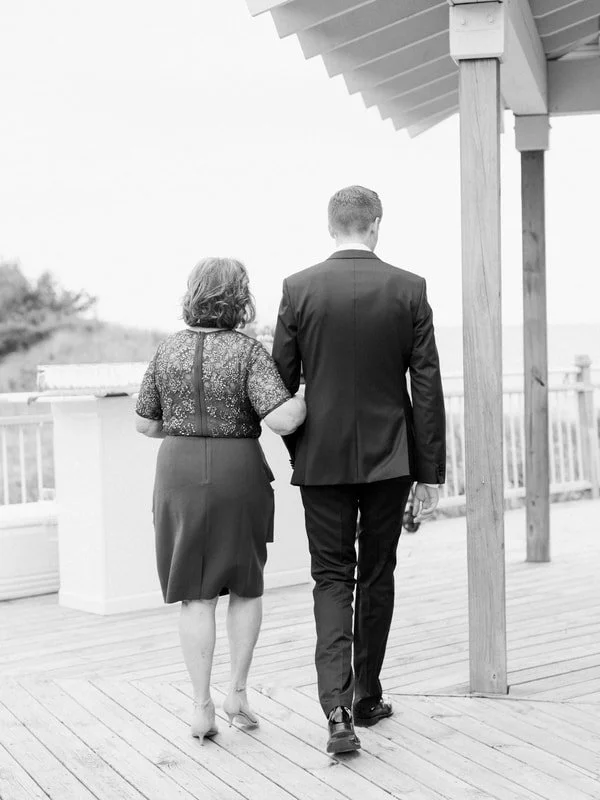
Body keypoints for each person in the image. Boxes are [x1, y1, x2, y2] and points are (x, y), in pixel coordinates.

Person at [272, 185, 445, 754]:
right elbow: (426, 384)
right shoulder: (409, 289)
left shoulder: (298, 289)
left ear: (332, 227)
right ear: (375, 225)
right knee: (376, 575)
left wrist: (303, 449)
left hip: (321, 462)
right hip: (390, 459)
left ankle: (338, 708)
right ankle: (368, 695)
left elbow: (279, 387)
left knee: (330, 578)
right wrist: (429, 470)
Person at [135, 256, 306, 743]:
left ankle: (200, 706)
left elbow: (145, 422)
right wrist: (306, 394)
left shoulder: (165, 351)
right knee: (246, 584)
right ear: (240, 298)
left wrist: (189, 428)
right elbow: (282, 420)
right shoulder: (248, 353)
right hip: (237, 470)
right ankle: (237, 693)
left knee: (195, 592)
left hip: (178, 470)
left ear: (192, 294)